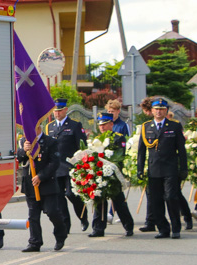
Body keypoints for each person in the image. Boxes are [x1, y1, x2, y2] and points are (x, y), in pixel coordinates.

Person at [137, 98, 188, 238]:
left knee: (171, 197)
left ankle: (176, 227)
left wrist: (183, 168)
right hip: (154, 169)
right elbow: (141, 150)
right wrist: (139, 168)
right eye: (156, 109)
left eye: (162, 109)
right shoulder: (146, 126)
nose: (159, 112)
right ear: (152, 111)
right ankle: (163, 228)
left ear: (166, 111)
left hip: (170, 168)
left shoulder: (175, 126)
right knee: (156, 200)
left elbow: (181, 150)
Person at [18, 135, 68, 252]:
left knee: (52, 212)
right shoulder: (24, 141)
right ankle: (35, 242)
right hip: (30, 184)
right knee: (33, 216)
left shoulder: (50, 141)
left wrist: (41, 176)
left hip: (47, 184)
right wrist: (23, 151)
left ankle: (61, 233)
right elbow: (19, 158)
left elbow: (54, 162)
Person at [45, 98, 89, 233]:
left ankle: (83, 217)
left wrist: (81, 167)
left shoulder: (75, 125)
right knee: (59, 199)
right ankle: (65, 225)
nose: (57, 113)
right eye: (55, 111)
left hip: (70, 167)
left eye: (59, 110)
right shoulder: (49, 127)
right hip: (55, 169)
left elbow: (82, 147)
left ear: (65, 110)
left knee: (71, 194)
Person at [89, 112, 135, 237]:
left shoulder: (118, 138)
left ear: (111, 124)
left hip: (113, 174)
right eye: (100, 125)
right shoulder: (97, 139)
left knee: (118, 201)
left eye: (104, 124)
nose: (102, 127)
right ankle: (98, 228)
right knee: (99, 200)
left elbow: (120, 156)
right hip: (99, 173)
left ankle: (128, 225)